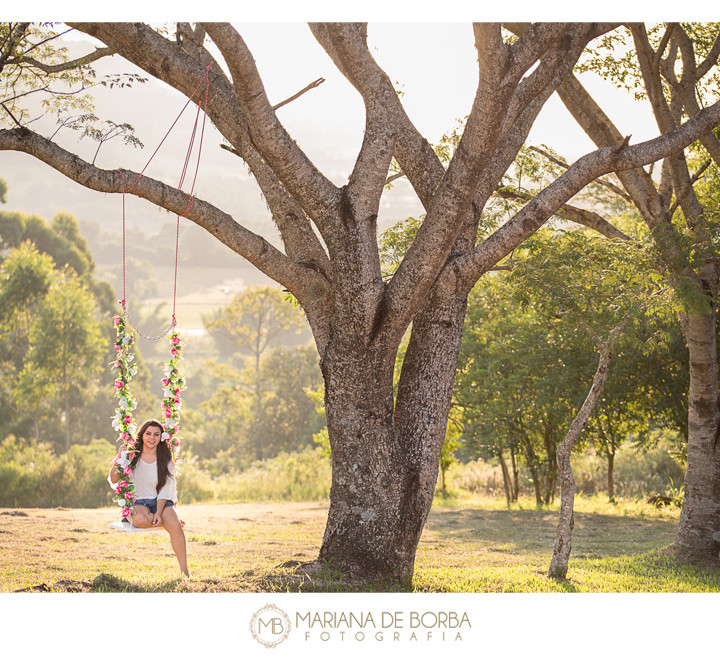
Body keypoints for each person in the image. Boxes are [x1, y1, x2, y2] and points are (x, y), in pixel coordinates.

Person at [109, 418, 190, 577]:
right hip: (138, 502)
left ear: (161, 438)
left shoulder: (165, 459)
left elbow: (166, 490)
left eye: (156, 434)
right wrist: (120, 456)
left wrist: (160, 513)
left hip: (160, 501)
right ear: (142, 435)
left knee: (176, 528)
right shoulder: (131, 456)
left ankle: (185, 571)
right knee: (139, 520)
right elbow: (113, 478)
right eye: (148, 434)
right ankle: (169, 519)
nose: (152, 438)